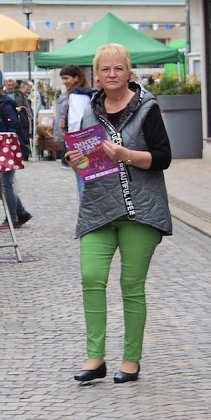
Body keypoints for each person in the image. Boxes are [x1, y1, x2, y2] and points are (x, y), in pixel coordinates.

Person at [66, 43, 172, 384]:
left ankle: (131, 360)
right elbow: (86, 160)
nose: (112, 75)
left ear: (129, 72)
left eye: (118, 69)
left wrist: (126, 154)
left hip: (140, 208)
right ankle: (95, 357)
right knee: (91, 276)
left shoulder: (147, 109)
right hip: (98, 207)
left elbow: (163, 158)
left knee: (131, 285)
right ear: (96, 74)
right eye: (105, 69)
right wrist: (75, 160)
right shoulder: (88, 111)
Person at [0, 87, 32, 230]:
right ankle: (21, 213)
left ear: (0, 89)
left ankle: (12, 219)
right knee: (5, 184)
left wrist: (5, 144)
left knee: (6, 184)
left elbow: (13, 126)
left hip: (6, 149)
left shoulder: (5, 105)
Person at [54, 65, 96, 195]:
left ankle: (86, 213)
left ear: (76, 78)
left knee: (83, 183)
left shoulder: (77, 95)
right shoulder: (86, 93)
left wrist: (71, 146)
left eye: (66, 78)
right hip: (89, 141)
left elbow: (76, 121)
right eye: (62, 78)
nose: (64, 82)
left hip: (80, 144)